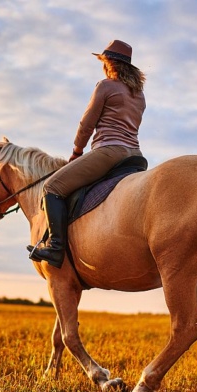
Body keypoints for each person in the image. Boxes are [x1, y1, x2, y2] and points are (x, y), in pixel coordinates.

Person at [29, 39, 147, 268]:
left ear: (109, 63)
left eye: (103, 61)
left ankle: (55, 247)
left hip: (109, 152)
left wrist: (76, 151)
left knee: (51, 188)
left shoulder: (105, 86)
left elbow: (87, 124)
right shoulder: (139, 95)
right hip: (136, 156)